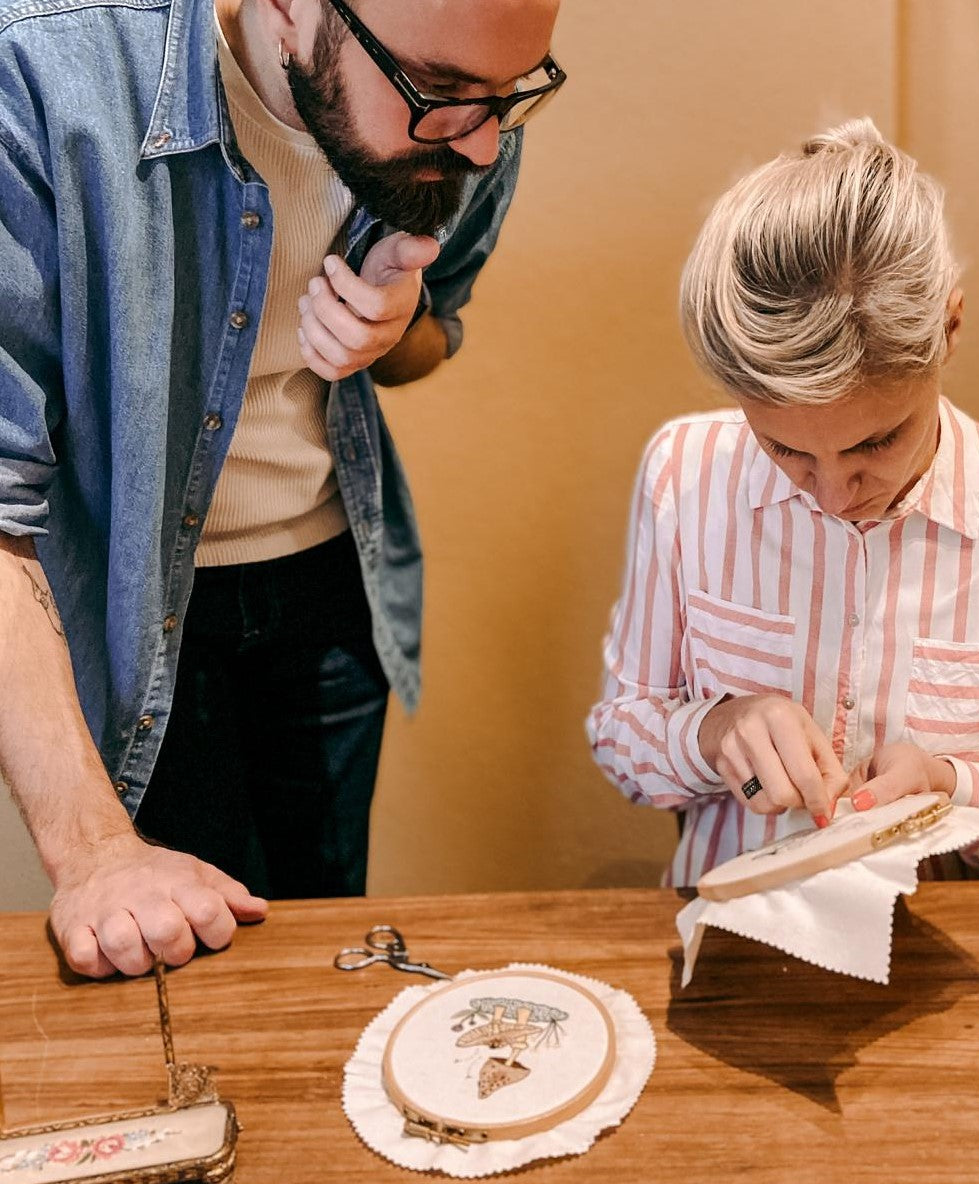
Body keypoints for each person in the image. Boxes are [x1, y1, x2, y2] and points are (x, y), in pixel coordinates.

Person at [0, 0, 564, 977]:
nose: (476, 146)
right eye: (436, 96)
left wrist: (397, 325)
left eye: (507, 97)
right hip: (134, 615)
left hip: (330, 587)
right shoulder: (41, 68)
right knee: (187, 966)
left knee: (321, 952)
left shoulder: (468, 104)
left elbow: (428, 345)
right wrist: (94, 852)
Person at [587, 118, 979, 885]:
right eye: (784, 448)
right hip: (733, 946)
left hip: (958, 960)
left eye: (874, 443)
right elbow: (621, 736)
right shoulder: (684, 472)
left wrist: (956, 791)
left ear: (949, 330)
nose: (831, 493)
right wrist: (714, 727)